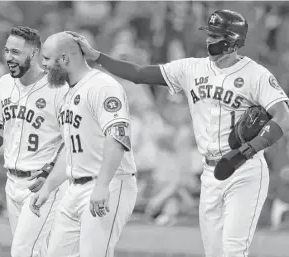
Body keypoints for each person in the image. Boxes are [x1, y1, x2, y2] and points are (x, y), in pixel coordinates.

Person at [68, 9, 289, 257]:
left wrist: (249, 149)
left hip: (245, 170)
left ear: (232, 39)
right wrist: (97, 56)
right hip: (211, 172)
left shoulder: (256, 75)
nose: (209, 40)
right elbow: (138, 74)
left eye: (215, 35)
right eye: (209, 33)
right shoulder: (191, 69)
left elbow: (283, 116)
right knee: (214, 252)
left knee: (233, 250)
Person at [30, 32, 138, 257]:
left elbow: (118, 137)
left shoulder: (102, 85)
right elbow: (71, 150)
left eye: (48, 58)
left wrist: (102, 185)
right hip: (75, 187)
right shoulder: (67, 93)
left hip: (110, 183)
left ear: (64, 59)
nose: (43, 64)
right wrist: (49, 186)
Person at [0, 26, 68, 257]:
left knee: (23, 250)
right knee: (37, 251)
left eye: (15, 52)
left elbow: (70, 139)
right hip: (11, 182)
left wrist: (50, 172)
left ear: (33, 54)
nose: (8, 57)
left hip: (42, 184)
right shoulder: (4, 84)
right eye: (6, 51)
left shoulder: (57, 88)